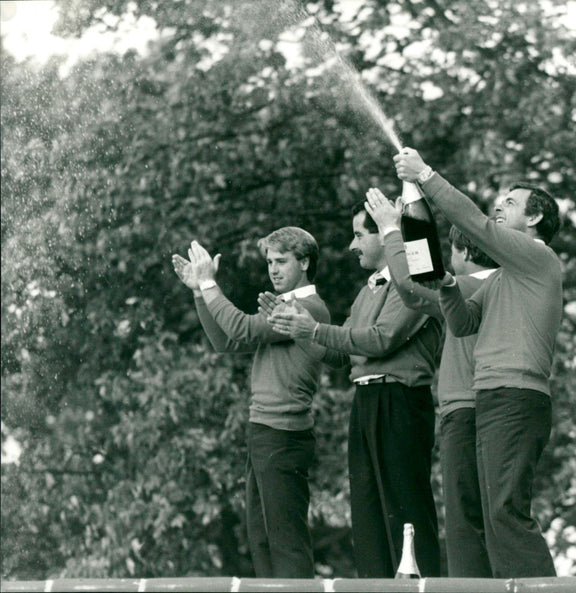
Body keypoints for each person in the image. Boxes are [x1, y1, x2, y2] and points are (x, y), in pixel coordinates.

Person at [394, 148, 562, 577]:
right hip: (492, 397)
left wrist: (426, 176)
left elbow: (476, 224)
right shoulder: (505, 276)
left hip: (516, 396)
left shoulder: (537, 258)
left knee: (505, 510)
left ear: (536, 219)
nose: (498, 207)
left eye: (510, 202)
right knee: (494, 514)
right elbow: (465, 322)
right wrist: (449, 284)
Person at [263, 203, 443, 578]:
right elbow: (339, 354)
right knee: (367, 509)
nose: (352, 245)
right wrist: (295, 327)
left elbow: (380, 340)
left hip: (401, 401)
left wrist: (311, 329)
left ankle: (420, 586)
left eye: (360, 235)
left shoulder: (414, 282)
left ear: (385, 235)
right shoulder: (369, 290)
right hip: (367, 401)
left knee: (405, 506)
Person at [171, 227, 330, 578]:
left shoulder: (306, 308)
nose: (273, 269)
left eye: (281, 261)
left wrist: (210, 285)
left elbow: (242, 329)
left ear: (304, 262)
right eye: (270, 262)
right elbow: (226, 342)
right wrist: (200, 292)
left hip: (283, 435)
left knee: (285, 544)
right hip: (265, 432)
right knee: (261, 540)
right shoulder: (283, 305)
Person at [363, 188, 497, 577]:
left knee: (464, 523)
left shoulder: (475, 286)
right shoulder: (494, 287)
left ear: (467, 254)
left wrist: (391, 228)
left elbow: (411, 285)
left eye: (453, 254)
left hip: (466, 410)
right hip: (475, 409)